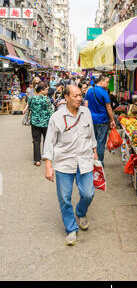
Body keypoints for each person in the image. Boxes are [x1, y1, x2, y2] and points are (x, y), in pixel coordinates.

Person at [43, 85, 98, 246]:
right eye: (75, 96)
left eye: (80, 95)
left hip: (85, 160)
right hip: (64, 163)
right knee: (65, 198)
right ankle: (71, 229)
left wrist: (94, 150)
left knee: (88, 193)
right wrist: (48, 165)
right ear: (66, 97)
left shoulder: (86, 113)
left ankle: (80, 212)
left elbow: (91, 133)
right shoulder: (57, 117)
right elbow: (49, 142)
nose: (79, 98)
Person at [84, 75, 116, 167]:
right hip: (102, 120)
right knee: (100, 143)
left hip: (91, 120)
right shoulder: (104, 92)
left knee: (92, 141)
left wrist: (86, 118)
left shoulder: (89, 91)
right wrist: (112, 119)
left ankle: (91, 161)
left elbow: (86, 105)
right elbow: (109, 108)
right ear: (101, 82)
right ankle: (100, 162)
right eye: (107, 82)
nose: (108, 84)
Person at [23, 83, 53, 167]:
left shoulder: (31, 99)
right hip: (46, 123)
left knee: (36, 141)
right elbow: (50, 111)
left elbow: (30, 108)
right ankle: (45, 156)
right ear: (42, 90)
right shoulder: (47, 99)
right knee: (46, 140)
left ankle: (37, 160)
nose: (47, 90)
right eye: (46, 89)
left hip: (35, 122)